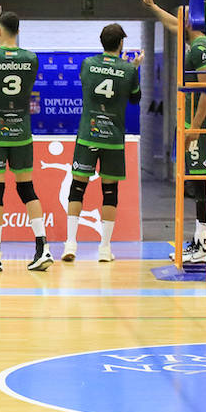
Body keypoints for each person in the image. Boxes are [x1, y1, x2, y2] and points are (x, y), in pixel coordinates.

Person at [0, 11, 52, 272]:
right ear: (17, 31)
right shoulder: (31, 59)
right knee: (26, 188)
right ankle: (43, 247)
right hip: (22, 133)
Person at [139, 0, 206, 262]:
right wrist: (153, 7)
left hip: (202, 129)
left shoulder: (200, 47)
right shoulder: (194, 41)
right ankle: (199, 242)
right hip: (196, 126)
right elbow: (172, 25)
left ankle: (203, 245)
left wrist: (194, 127)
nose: (177, 19)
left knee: (202, 184)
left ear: (191, 21)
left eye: (181, 15)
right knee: (197, 185)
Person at [63, 24, 143, 263]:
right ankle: (105, 248)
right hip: (113, 138)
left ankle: (70, 243)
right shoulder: (128, 70)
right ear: (121, 44)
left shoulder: (87, 64)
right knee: (110, 192)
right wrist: (134, 68)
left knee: (77, 188)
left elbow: (87, 83)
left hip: (88, 134)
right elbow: (135, 99)